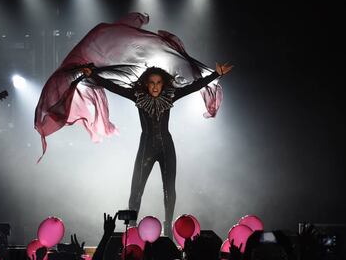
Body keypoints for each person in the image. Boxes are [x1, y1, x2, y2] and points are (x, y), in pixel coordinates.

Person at [80, 62, 232, 238]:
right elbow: (112, 86)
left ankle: (167, 231)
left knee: (169, 188)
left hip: (167, 146)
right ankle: (132, 230)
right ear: (146, 84)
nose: (154, 86)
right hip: (146, 146)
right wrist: (92, 75)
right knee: (136, 188)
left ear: (163, 84)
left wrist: (215, 74)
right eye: (151, 83)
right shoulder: (137, 96)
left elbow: (194, 86)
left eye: (158, 83)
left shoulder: (171, 95)